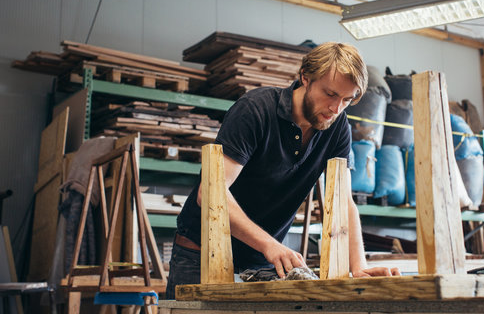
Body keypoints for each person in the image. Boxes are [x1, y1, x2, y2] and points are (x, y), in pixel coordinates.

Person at [166, 42, 399, 298]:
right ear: (305, 78)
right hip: (201, 253)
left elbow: (344, 201)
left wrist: (359, 267)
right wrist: (270, 245)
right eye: (330, 94)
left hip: (260, 262)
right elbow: (211, 193)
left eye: (347, 99)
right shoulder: (255, 110)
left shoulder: (337, 126)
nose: (336, 108)